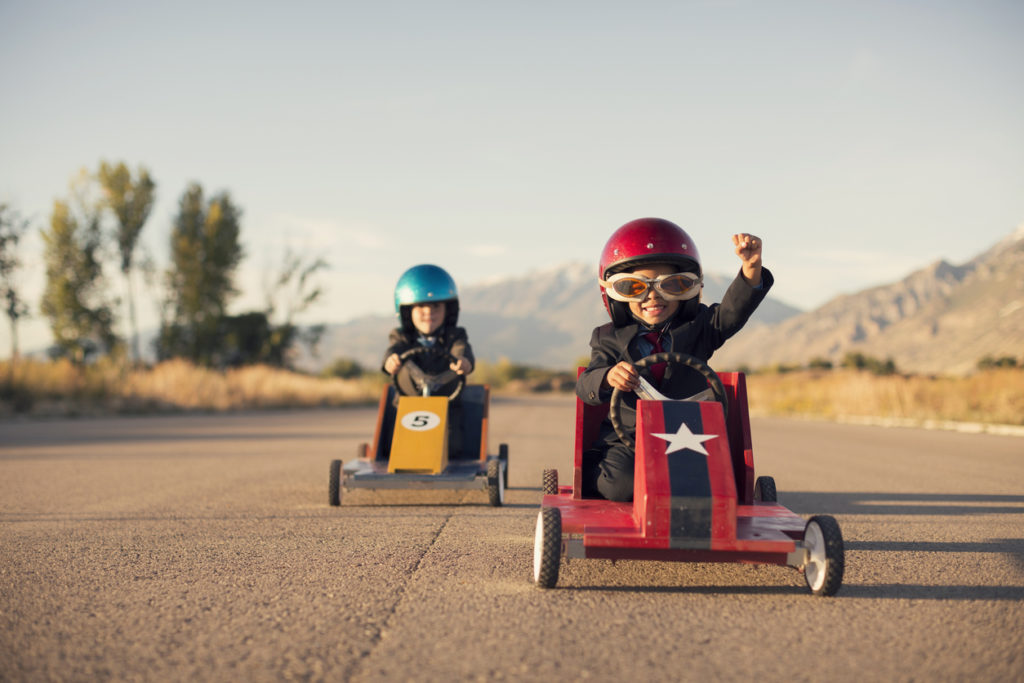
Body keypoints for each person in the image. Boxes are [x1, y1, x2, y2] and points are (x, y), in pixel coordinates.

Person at [577, 217, 773, 501]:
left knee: (713, 486)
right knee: (619, 486)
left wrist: (751, 269)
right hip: (628, 442)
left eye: (672, 285)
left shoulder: (700, 327)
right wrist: (608, 377)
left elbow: (732, 313)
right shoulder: (607, 337)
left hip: (691, 437)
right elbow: (586, 385)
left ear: (689, 289)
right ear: (615, 293)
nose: (653, 297)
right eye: (634, 288)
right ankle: (599, 476)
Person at [382, 264, 475, 455]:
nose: (428, 312)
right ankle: (397, 454)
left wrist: (463, 361)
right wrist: (390, 361)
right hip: (408, 402)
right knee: (393, 441)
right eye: (421, 306)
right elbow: (393, 351)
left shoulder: (455, 336)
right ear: (407, 311)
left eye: (435, 306)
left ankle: (449, 456)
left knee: (455, 444)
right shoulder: (401, 337)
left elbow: (462, 350)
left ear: (448, 310)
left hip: (446, 402)